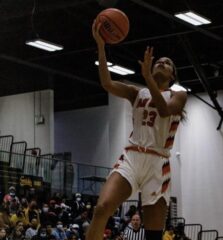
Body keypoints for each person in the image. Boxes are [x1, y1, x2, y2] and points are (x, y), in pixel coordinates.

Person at [87, 20, 187, 240]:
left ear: (172, 75)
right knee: (102, 208)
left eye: (167, 63)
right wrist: (102, 47)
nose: (162, 62)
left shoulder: (178, 93)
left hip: (158, 163)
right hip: (132, 156)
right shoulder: (137, 93)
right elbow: (107, 83)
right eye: (158, 61)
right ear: (150, 67)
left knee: (153, 234)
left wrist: (149, 79)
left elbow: (163, 111)